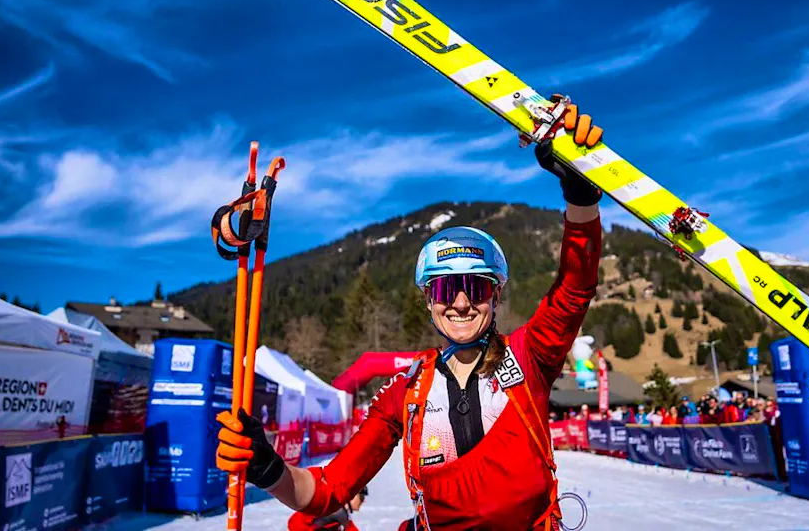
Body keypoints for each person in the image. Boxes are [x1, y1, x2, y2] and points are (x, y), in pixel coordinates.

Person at [214, 97, 605, 531]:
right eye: (446, 289)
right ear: (428, 300)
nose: (461, 303)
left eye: (476, 288)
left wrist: (581, 199)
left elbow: (575, 288)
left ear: (495, 296)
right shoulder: (407, 391)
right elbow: (326, 491)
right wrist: (268, 467)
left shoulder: (529, 356)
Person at [288, 487, 368, 531]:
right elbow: (294, 522)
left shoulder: (341, 513)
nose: (363, 501)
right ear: (352, 496)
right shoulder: (337, 511)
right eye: (361, 497)